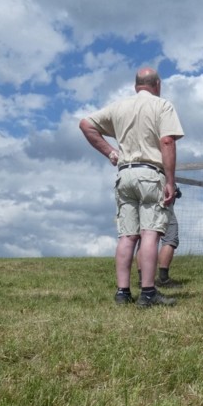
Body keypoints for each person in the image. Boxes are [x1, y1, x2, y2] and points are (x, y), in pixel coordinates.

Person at [80, 67, 184, 308]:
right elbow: (167, 141)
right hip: (150, 173)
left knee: (127, 235)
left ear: (135, 85)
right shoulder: (162, 105)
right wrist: (170, 180)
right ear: (157, 84)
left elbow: (86, 124)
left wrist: (110, 152)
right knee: (150, 232)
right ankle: (148, 292)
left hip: (124, 174)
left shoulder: (119, 106)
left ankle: (122, 292)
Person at [138, 185, 183, 289]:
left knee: (143, 238)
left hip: (141, 195)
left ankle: (142, 280)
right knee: (170, 237)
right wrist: (175, 190)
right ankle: (163, 278)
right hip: (161, 198)